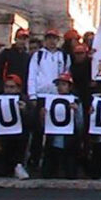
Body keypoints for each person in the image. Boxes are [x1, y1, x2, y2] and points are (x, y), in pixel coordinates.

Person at [27, 29, 71, 172]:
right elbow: (32, 75)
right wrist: (32, 95)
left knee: (55, 130)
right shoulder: (38, 55)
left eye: (54, 38)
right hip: (41, 96)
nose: (52, 41)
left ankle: (51, 162)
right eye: (49, 38)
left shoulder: (64, 56)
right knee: (38, 130)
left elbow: (66, 75)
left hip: (56, 97)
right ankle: (34, 160)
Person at [0, 74, 31, 179]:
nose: (9, 90)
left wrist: (25, 111)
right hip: (2, 137)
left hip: (18, 138)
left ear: (18, 88)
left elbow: (32, 122)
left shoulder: (24, 100)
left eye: (12, 87)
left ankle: (18, 166)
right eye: (7, 87)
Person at [41, 72, 83, 179]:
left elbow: (80, 126)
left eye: (63, 84)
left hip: (70, 142)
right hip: (52, 141)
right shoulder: (50, 101)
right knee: (47, 173)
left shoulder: (76, 101)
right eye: (58, 85)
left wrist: (77, 112)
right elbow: (43, 126)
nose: (60, 87)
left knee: (70, 173)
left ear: (70, 86)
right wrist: (42, 116)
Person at [0, 28, 30, 94]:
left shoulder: (27, 56)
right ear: (15, 39)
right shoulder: (6, 53)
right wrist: (0, 87)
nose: (22, 41)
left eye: (24, 39)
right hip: (6, 88)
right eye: (20, 38)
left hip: (22, 90)